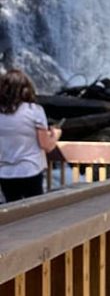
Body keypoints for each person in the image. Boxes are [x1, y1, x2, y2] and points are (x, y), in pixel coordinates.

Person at [0, 68, 61, 203]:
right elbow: (46, 146)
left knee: (12, 212)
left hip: (5, 172)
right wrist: (55, 135)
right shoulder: (35, 111)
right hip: (30, 170)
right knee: (34, 213)